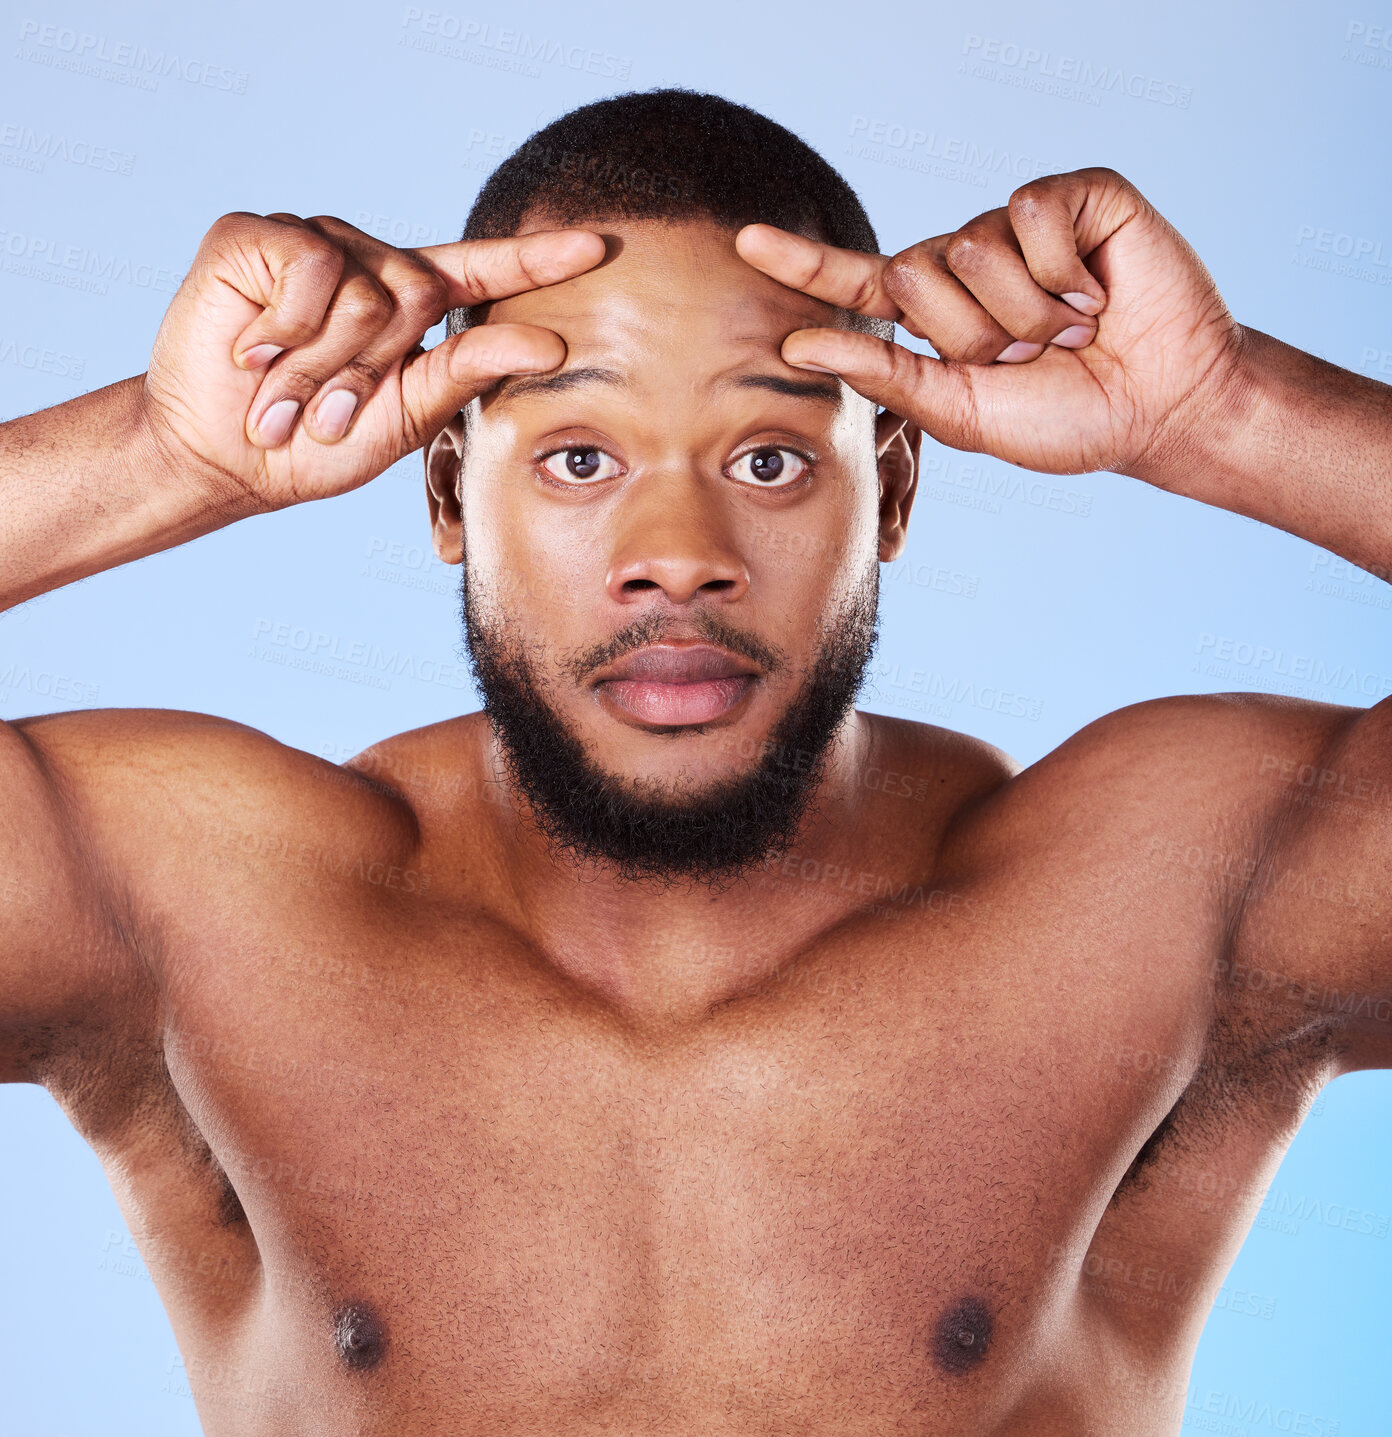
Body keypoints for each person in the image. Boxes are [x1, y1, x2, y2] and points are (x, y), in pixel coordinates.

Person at [2, 87, 1389, 1435]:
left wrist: (1230, 410)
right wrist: (159, 449)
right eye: (581, 459)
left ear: (892, 488)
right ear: (445, 491)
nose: (679, 551)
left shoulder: (1145, 895)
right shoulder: (206, 904)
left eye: (773, 459)